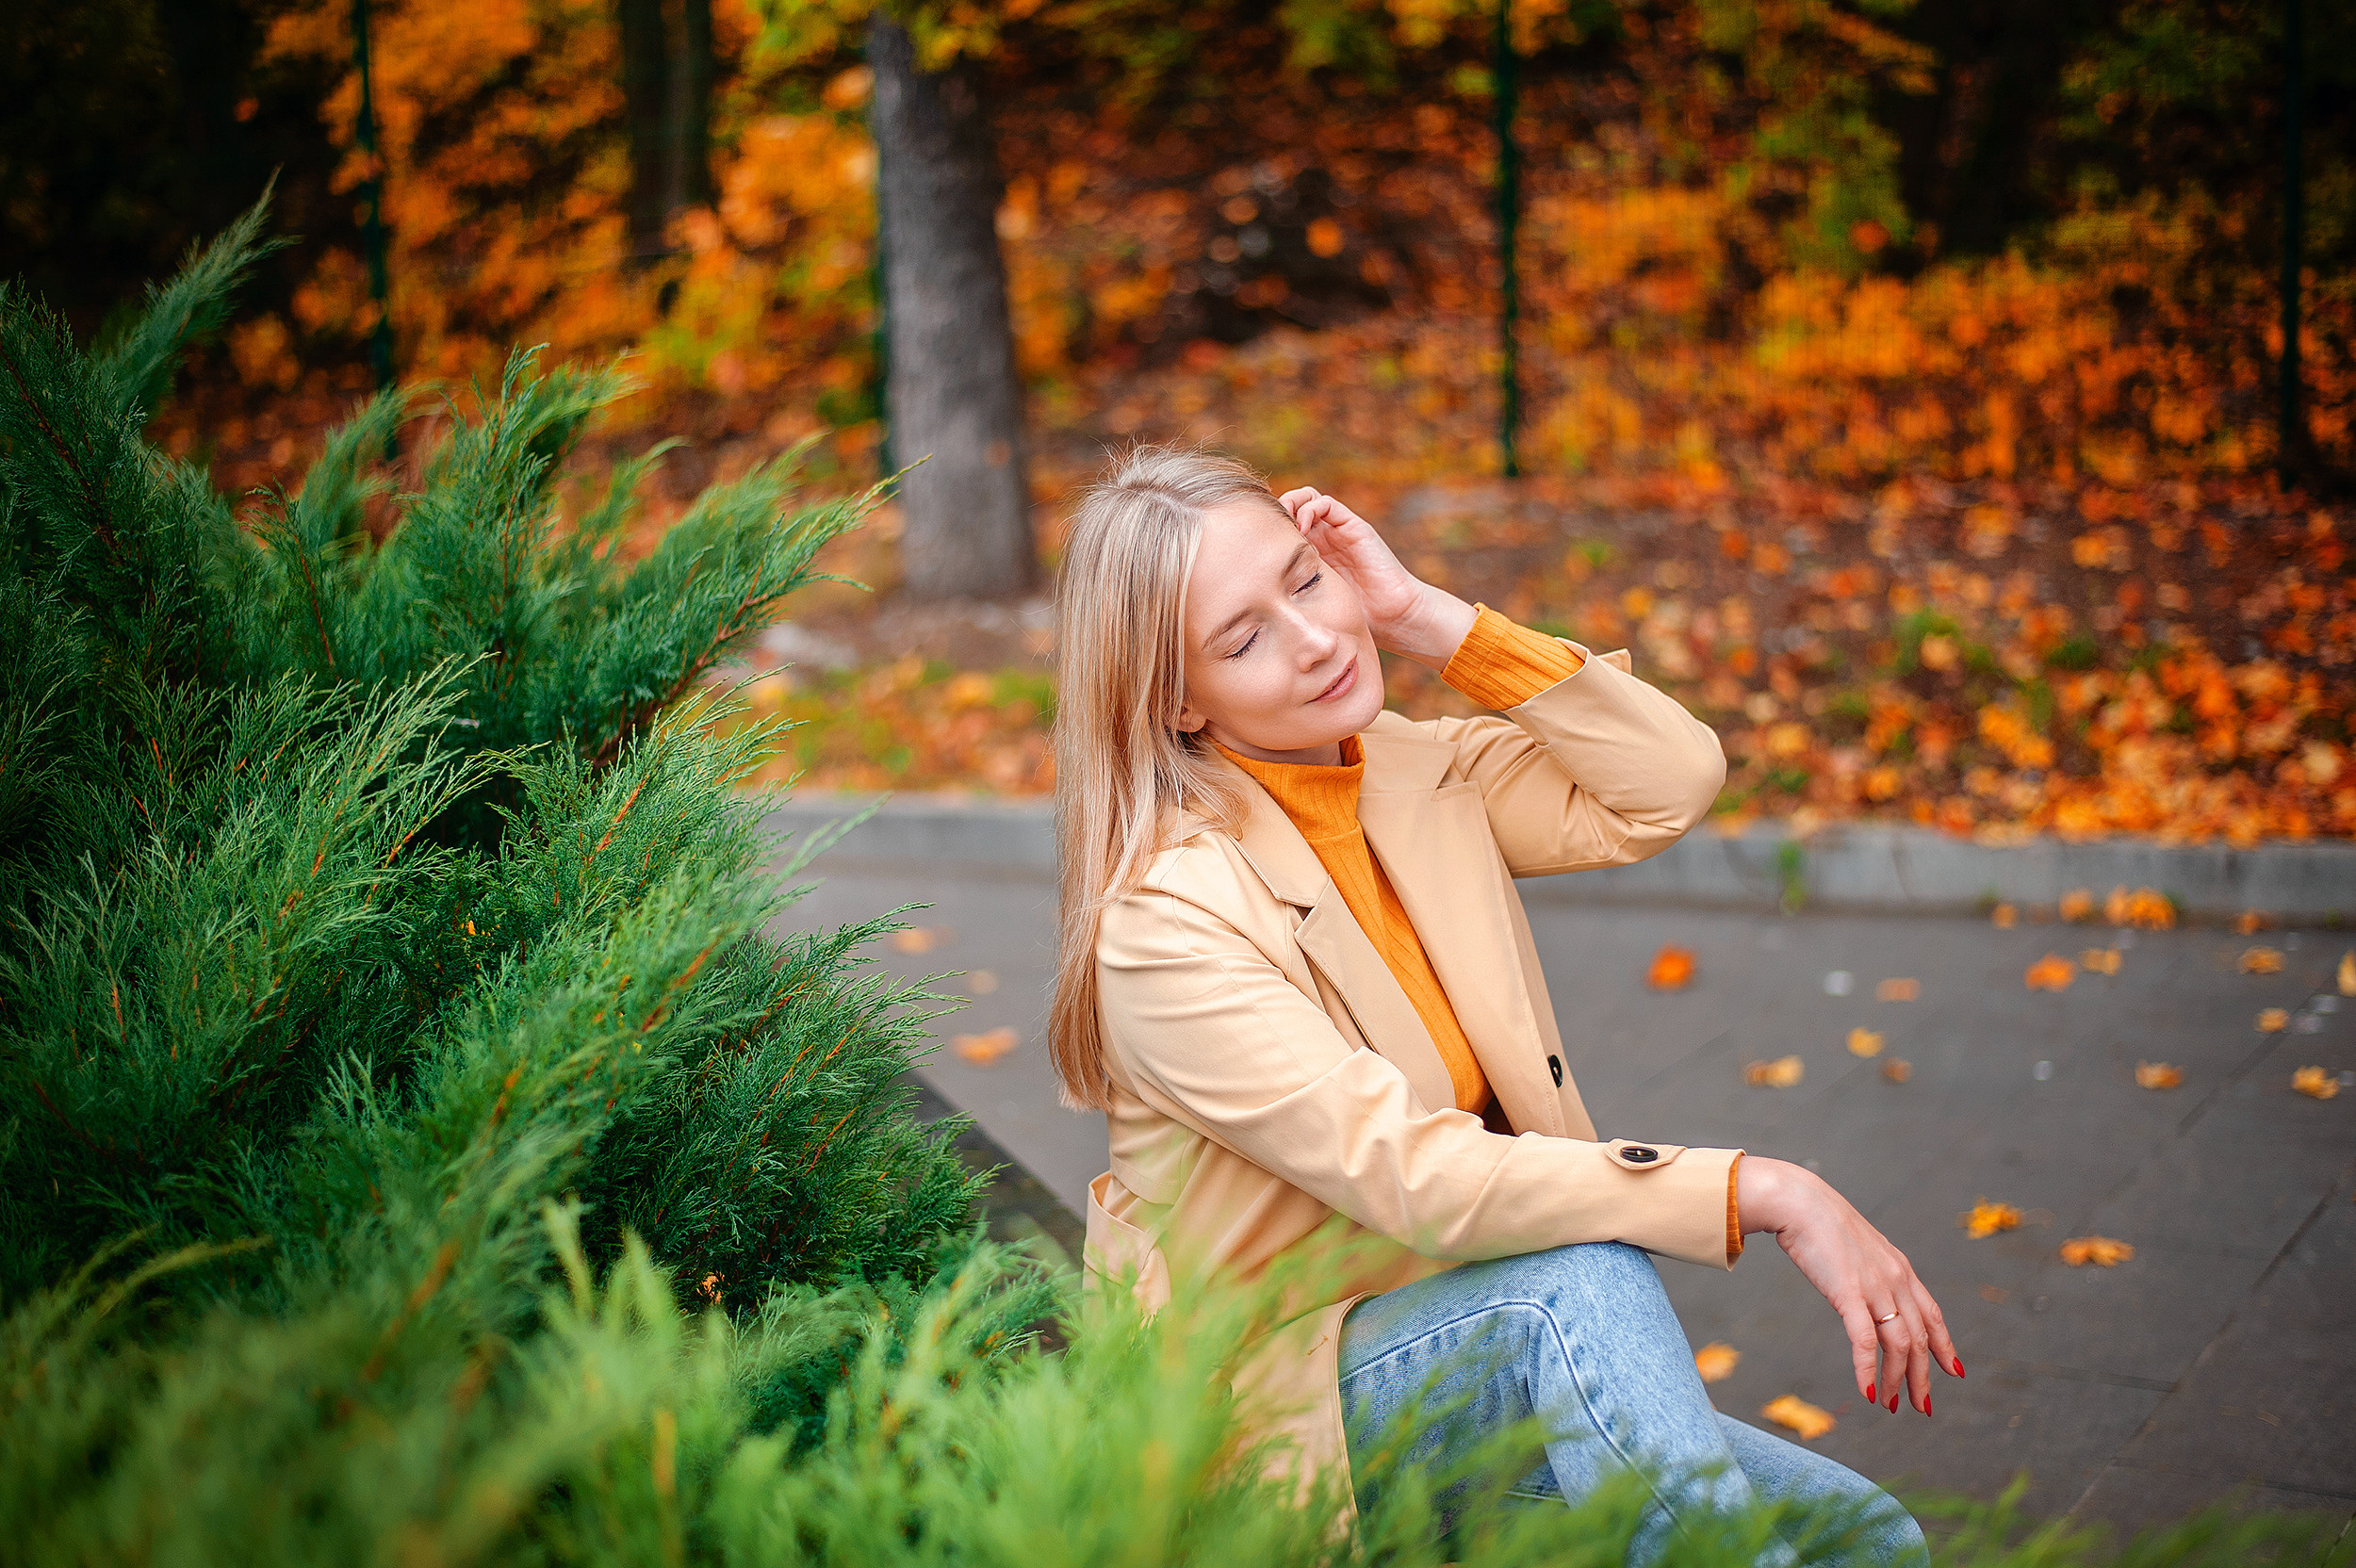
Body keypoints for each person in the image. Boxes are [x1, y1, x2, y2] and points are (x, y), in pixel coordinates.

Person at [1054, 445, 1953, 1564]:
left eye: (1307, 578)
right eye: (1244, 637)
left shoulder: (1399, 770)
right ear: (1178, 700)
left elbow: (1665, 784)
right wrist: (1757, 1187)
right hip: (1288, 1416)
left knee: (1861, 1534)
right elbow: (1409, 1171)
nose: (1319, 636)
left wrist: (1429, 618)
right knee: (1579, 1278)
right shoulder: (1165, 921)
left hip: (1478, 1329)